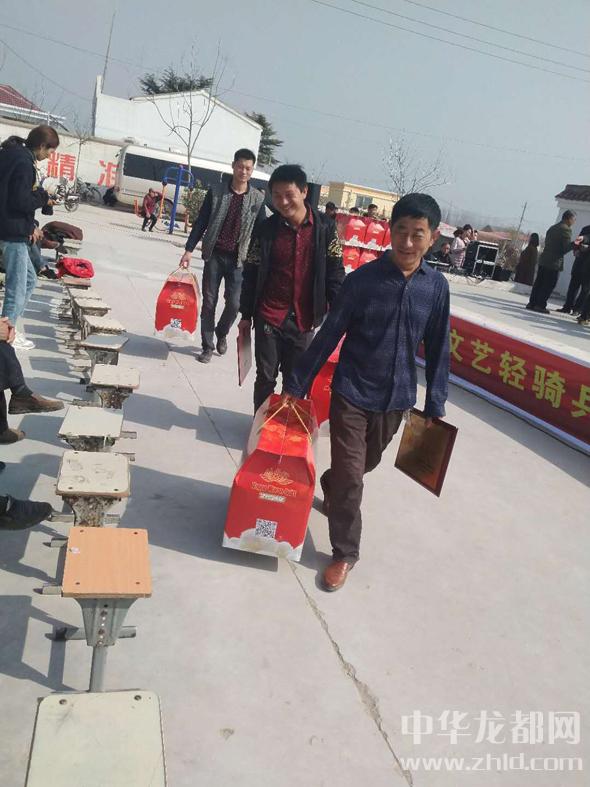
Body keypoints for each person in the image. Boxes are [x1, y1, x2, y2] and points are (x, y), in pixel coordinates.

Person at [282, 193, 450, 592]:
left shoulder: (436, 287)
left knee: (361, 467)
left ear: (433, 238)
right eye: (401, 231)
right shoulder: (362, 281)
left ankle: (331, 483)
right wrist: (296, 384)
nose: (407, 242)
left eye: (418, 234)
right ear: (390, 231)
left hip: (397, 399)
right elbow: (330, 333)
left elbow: (439, 345)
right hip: (352, 392)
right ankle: (344, 553)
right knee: (352, 477)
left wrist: (435, 402)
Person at [239, 164, 345, 412]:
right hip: (269, 315)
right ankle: (260, 424)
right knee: (265, 378)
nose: (283, 202)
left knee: (296, 381)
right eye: (277, 196)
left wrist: (339, 315)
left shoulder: (325, 229)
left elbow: (335, 273)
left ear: (304, 191)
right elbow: (251, 272)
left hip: (304, 321)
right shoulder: (266, 229)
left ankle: (285, 428)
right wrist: (245, 314)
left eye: (289, 194)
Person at [180, 148, 266, 363]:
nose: (243, 172)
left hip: (239, 260)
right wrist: (189, 249)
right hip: (214, 255)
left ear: (252, 170)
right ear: (233, 166)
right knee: (209, 302)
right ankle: (207, 346)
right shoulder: (217, 191)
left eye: (248, 168)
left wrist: (261, 261)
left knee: (235, 304)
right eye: (240, 167)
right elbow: (202, 221)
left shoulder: (257, 199)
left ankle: (221, 332)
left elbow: (262, 231)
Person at [0, 126, 59, 350]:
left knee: (29, 280)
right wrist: (42, 197)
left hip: (11, 227)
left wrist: (31, 224)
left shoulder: (10, 153)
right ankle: (5, 336)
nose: (49, 156)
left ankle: (10, 329)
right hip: (12, 232)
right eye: (50, 152)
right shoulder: (24, 163)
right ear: (42, 146)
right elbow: (20, 201)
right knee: (16, 288)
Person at [526, 211, 581, 313]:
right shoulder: (566, 230)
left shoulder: (553, 227)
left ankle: (532, 303)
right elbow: (565, 248)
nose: (574, 222)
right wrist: (575, 243)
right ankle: (540, 305)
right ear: (569, 219)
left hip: (544, 259)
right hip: (554, 262)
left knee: (539, 283)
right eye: (574, 220)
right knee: (548, 284)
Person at [557, 224, 590, 314]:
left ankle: (577, 309)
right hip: (579, 262)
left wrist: (587, 248)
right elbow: (577, 241)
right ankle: (567, 306)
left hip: (588, 266)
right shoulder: (585, 228)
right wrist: (576, 250)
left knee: (585, 289)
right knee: (573, 286)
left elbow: (586, 238)